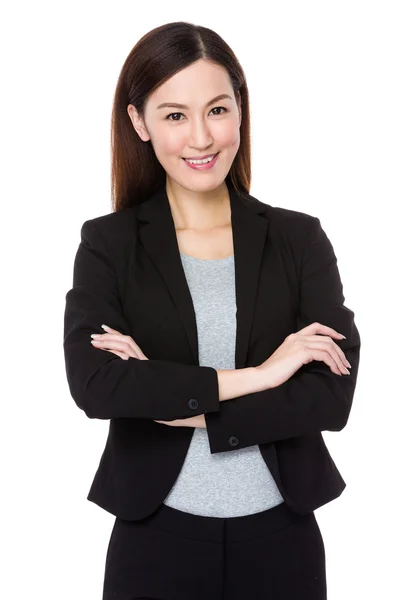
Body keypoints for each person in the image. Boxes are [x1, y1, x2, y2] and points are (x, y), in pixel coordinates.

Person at [63, 20, 361, 600]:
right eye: (175, 115)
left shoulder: (299, 240)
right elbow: (97, 385)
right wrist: (263, 376)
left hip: (282, 542)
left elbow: (330, 395)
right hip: (155, 539)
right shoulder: (110, 244)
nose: (201, 137)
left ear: (240, 112)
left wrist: (182, 404)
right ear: (139, 122)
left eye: (217, 110)